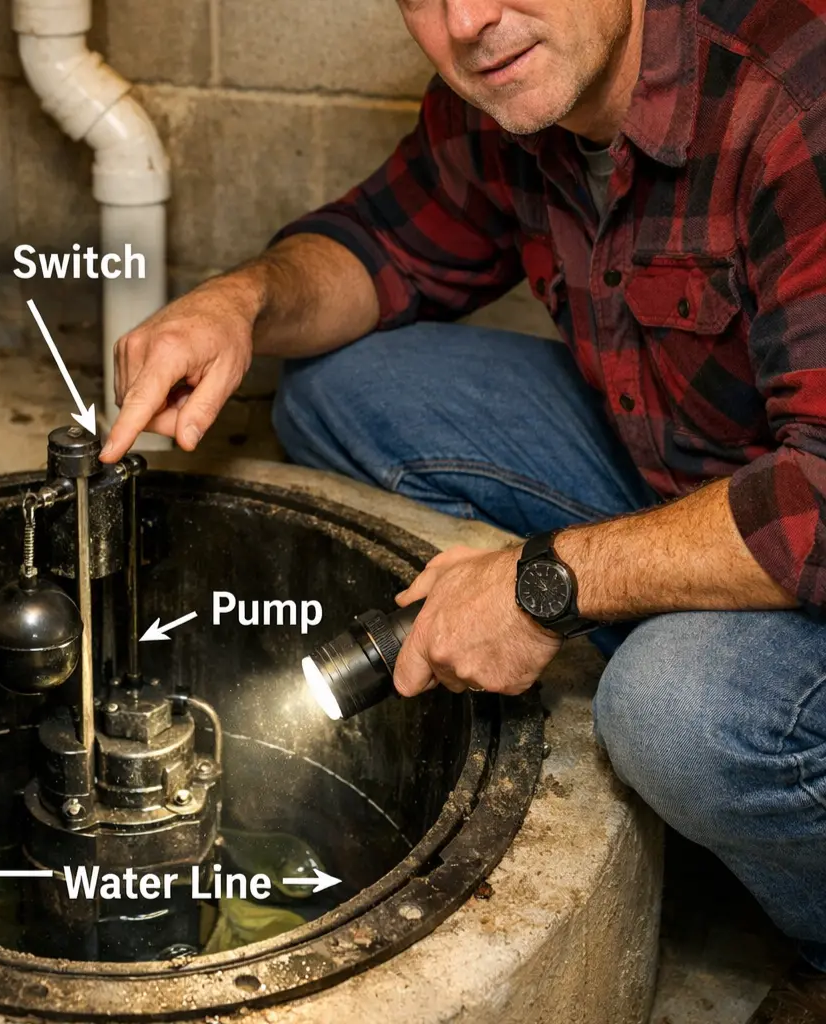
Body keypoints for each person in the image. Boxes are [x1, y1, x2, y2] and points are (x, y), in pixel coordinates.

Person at [99, 0, 826, 1016]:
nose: (470, 20)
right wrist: (244, 300)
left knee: (675, 709)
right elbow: (379, 249)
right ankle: (708, 718)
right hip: (691, 472)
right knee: (338, 389)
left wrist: (545, 586)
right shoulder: (524, 81)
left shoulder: (797, 94)